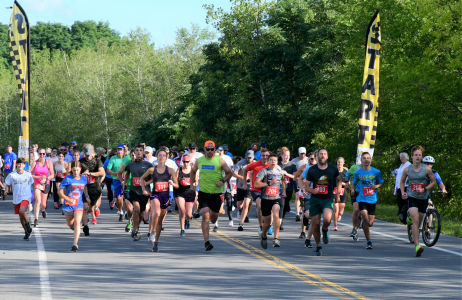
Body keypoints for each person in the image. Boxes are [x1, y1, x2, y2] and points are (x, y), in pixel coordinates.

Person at [190, 141, 232, 251]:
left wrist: (222, 181)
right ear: (204, 149)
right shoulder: (199, 160)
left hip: (217, 193)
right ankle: (207, 242)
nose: (210, 151)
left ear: (214, 150)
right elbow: (193, 171)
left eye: (212, 149)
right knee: (205, 215)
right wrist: (192, 184)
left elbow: (229, 173)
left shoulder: (220, 160)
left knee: (213, 219)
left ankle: (214, 221)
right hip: (204, 193)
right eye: (207, 149)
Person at [304, 148, 342, 256]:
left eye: (325, 154)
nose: (322, 156)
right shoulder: (312, 170)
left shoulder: (333, 169)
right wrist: (312, 190)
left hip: (327, 198)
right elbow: (306, 186)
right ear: (317, 156)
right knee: (315, 224)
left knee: (327, 218)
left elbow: (339, 180)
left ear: (327, 156)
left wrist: (338, 193)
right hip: (315, 199)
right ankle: (318, 246)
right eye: (320, 154)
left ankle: (325, 229)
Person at [400, 145, 436, 257]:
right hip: (412, 197)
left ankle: (409, 218)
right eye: (415, 155)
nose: (417, 157)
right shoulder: (407, 169)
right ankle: (417, 246)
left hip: (423, 198)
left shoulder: (427, 169)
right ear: (411, 156)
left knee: (419, 222)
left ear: (422, 157)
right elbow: (402, 182)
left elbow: (433, 182)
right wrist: (402, 192)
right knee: (416, 220)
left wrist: (424, 189)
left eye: (419, 155)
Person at [141, 148, 179, 252]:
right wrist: (144, 189)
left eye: (164, 155)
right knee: (156, 212)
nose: (162, 157)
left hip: (165, 196)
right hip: (155, 194)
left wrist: (172, 183)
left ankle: (156, 242)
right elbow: (142, 178)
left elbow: (177, 185)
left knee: (160, 220)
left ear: (166, 158)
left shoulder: (170, 170)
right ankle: (152, 231)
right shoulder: (152, 169)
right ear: (157, 157)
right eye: (160, 155)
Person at [119, 145, 153, 241]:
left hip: (144, 192)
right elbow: (124, 173)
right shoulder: (130, 164)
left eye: (140, 150)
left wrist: (146, 183)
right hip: (133, 190)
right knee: (136, 209)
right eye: (137, 150)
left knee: (141, 213)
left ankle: (136, 226)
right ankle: (136, 231)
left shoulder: (148, 165)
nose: (138, 152)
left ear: (143, 152)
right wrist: (123, 182)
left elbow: (153, 178)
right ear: (134, 152)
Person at [351, 152, 384, 249]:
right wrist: (353, 190)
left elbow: (381, 183)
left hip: (372, 199)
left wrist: (376, 186)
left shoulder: (376, 172)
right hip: (362, 198)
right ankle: (368, 241)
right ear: (361, 161)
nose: (366, 160)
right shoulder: (358, 173)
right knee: (365, 218)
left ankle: (363, 224)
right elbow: (354, 184)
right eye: (364, 158)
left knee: (369, 223)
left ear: (370, 160)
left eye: (368, 158)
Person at [254, 154, 286, 248]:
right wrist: (269, 183)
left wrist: (283, 191)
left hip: (276, 198)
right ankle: (264, 236)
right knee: (267, 223)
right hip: (265, 199)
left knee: (276, 214)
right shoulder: (264, 171)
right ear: (268, 162)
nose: (273, 162)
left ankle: (276, 239)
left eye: (274, 160)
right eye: (271, 160)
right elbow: (256, 184)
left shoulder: (280, 172)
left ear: (277, 162)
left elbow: (283, 180)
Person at [59, 161, 88, 251]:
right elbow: (59, 192)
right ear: (71, 170)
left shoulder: (84, 179)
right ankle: (75, 229)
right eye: (74, 170)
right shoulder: (67, 179)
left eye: (77, 170)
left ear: (80, 170)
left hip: (78, 204)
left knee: (77, 222)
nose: (75, 172)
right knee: (70, 224)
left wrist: (87, 196)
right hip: (68, 205)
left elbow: (85, 187)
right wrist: (67, 199)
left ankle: (75, 244)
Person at [5, 158, 34, 241]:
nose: (20, 165)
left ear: (24, 165)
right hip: (16, 198)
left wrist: (34, 195)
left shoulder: (28, 175)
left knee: (22, 211)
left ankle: (28, 224)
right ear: (16, 165)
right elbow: (7, 184)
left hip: (25, 196)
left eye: (22, 164)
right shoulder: (12, 175)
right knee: (21, 217)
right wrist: (6, 191)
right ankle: (26, 232)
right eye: (19, 164)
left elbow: (33, 183)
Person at [243, 148, 270, 239]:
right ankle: (260, 226)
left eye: (267, 155)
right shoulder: (255, 164)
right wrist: (245, 183)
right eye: (263, 155)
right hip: (256, 189)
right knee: (260, 205)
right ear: (260, 156)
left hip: (267, 190)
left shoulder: (271, 165)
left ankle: (267, 224)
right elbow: (245, 170)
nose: (265, 157)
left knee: (267, 209)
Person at [79, 144, 105, 233]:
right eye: (86, 154)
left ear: (93, 152)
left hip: (96, 189)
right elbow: (75, 173)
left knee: (91, 208)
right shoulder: (80, 162)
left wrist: (90, 173)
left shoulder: (97, 161)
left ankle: (95, 208)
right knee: (85, 207)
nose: (88, 156)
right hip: (85, 188)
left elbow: (101, 173)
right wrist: (82, 175)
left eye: (89, 154)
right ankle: (85, 226)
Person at [30, 148, 55, 226]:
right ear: (38, 154)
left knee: (43, 204)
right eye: (40, 154)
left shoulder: (49, 162)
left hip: (45, 184)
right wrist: (39, 178)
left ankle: (43, 210)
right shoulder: (34, 162)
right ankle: (36, 219)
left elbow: (52, 175)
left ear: (45, 154)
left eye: (43, 154)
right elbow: (30, 174)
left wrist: (46, 178)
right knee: (38, 200)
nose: (42, 155)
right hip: (37, 183)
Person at [298, 151, 318, 248]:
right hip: (309, 197)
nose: (314, 159)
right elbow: (299, 179)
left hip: (321, 197)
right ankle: (305, 217)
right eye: (312, 158)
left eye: (315, 158)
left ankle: (308, 240)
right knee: (310, 215)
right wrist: (302, 189)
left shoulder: (326, 169)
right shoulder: (308, 169)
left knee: (315, 220)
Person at [107, 145, 131, 221]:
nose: (119, 151)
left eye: (121, 150)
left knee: (126, 197)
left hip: (126, 180)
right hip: (116, 180)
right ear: (116, 151)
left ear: (124, 151)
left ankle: (127, 212)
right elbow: (108, 170)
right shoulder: (113, 158)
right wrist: (114, 174)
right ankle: (121, 211)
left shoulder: (127, 159)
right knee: (119, 198)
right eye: (118, 150)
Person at [232, 150, 255, 231]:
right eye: (248, 157)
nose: (249, 159)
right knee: (239, 205)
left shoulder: (255, 164)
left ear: (253, 157)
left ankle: (241, 224)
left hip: (249, 187)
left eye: (250, 157)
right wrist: (243, 178)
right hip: (240, 186)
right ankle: (240, 211)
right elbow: (233, 173)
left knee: (246, 204)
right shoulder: (241, 163)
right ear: (246, 156)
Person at [174, 154, 196, 236]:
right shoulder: (179, 169)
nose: (186, 164)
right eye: (184, 162)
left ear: (190, 162)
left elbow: (196, 181)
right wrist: (179, 179)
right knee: (182, 211)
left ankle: (187, 219)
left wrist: (193, 184)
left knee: (189, 214)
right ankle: (182, 229)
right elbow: (175, 181)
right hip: (180, 192)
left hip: (190, 192)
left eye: (187, 162)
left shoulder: (193, 169)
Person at [278, 147, 296, 231]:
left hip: (289, 188)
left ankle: (281, 220)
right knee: (281, 205)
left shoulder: (292, 165)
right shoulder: (278, 164)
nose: (287, 157)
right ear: (281, 155)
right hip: (278, 188)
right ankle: (279, 222)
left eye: (288, 155)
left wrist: (287, 174)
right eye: (285, 155)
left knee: (284, 206)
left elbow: (295, 177)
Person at [217, 146, 234, 228]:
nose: (220, 152)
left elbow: (229, 175)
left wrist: (231, 189)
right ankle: (215, 222)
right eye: (218, 151)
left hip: (225, 186)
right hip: (216, 187)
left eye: (221, 151)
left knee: (229, 203)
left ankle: (231, 220)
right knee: (217, 204)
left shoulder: (227, 158)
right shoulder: (213, 160)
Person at [291, 147, 308, 222]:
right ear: (298, 153)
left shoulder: (309, 159)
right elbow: (293, 173)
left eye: (304, 153)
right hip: (298, 180)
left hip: (307, 181)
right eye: (301, 153)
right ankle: (297, 214)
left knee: (305, 197)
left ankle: (302, 210)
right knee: (298, 196)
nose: (302, 155)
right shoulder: (294, 161)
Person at [333, 157, 348, 231]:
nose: (340, 163)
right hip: (335, 191)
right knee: (335, 208)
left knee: (341, 211)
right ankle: (335, 226)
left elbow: (348, 183)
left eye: (341, 162)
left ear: (343, 163)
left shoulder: (346, 172)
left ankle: (339, 215)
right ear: (336, 162)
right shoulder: (333, 171)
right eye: (338, 162)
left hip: (343, 191)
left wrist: (341, 183)